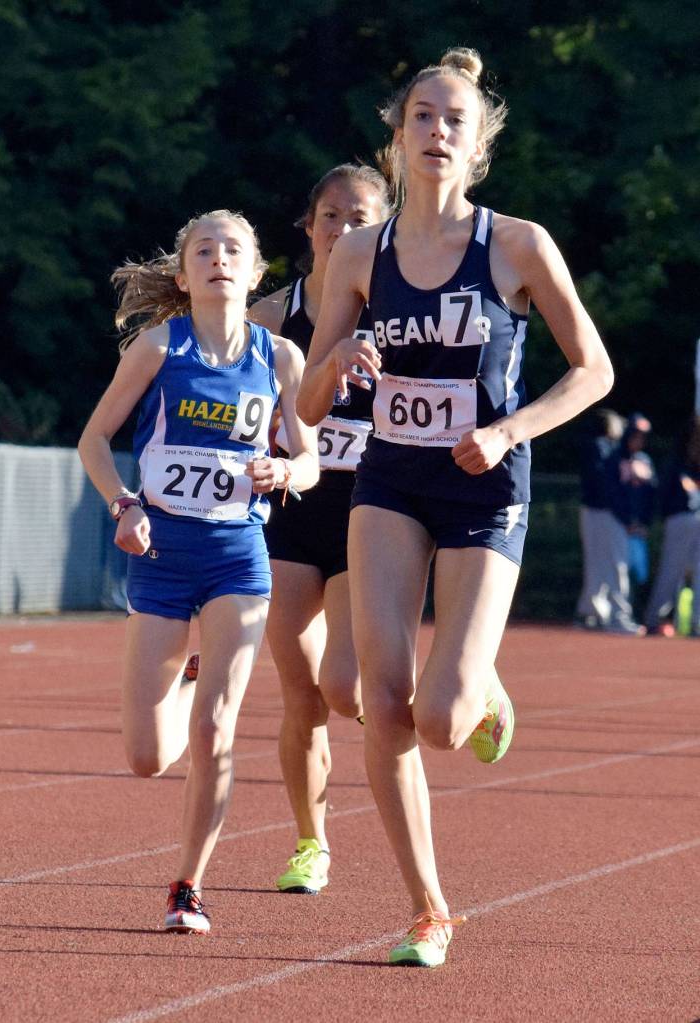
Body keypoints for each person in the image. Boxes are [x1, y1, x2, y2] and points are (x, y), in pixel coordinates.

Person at [297, 47, 613, 967]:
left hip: (482, 484)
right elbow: (307, 406)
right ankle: (428, 907)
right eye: (422, 117)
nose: (438, 132)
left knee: (441, 717)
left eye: (455, 122)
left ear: (477, 149)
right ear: (396, 139)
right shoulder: (358, 253)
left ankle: (478, 685)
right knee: (376, 703)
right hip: (391, 482)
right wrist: (335, 365)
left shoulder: (516, 244)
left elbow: (593, 371)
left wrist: (511, 430)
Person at [78, 209, 318, 933]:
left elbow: (309, 457)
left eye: (233, 249)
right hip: (160, 554)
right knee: (149, 755)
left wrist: (285, 467)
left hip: (236, 554)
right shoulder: (158, 346)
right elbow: (94, 439)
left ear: (255, 272)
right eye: (203, 250)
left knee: (218, 728)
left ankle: (188, 884)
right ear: (184, 275)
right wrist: (123, 502)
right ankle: (184, 677)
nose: (219, 258)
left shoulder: (280, 358)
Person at [247, 164, 390, 894]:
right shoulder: (270, 319)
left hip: (374, 516)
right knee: (301, 692)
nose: (341, 229)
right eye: (330, 215)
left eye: (359, 216)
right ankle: (312, 843)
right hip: (289, 512)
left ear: (384, 226)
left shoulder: (397, 312)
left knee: (347, 689)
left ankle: (434, 690)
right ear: (308, 227)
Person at [645, 414, 700, 636]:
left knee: (671, 570)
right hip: (683, 518)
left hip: (681, 519)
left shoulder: (677, 459)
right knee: (678, 571)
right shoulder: (680, 461)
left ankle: (654, 619)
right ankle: (692, 621)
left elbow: (663, 494)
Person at [574, 408, 627, 629]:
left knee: (598, 563)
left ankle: (590, 612)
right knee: (608, 563)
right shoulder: (599, 447)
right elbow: (604, 482)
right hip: (600, 511)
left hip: (597, 510)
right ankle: (609, 614)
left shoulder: (603, 447)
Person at [610, 412, 656, 622]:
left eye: (643, 436)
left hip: (638, 529)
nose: (640, 440)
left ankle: (638, 616)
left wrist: (645, 523)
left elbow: (652, 496)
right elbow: (612, 494)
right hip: (620, 525)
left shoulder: (645, 460)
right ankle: (618, 614)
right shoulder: (615, 458)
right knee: (618, 571)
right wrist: (625, 521)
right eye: (636, 435)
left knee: (640, 574)